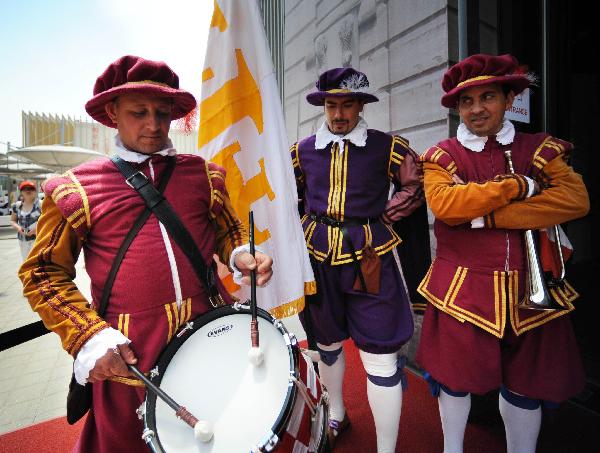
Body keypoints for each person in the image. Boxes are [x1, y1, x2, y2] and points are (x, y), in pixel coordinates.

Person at [18, 55, 273, 453]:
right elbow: (43, 274)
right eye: (139, 112)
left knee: (224, 434)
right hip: (130, 353)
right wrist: (89, 337)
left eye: (162, 112)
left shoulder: (202, 174)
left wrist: (240, 255)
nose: (153, 125)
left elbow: (228, 230)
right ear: (112, 112)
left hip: (211, 334)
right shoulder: (77, 188)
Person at [416, 54, 590, 453]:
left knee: (527, 383)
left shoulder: (540, 147)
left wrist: (489, 217)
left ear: (508, 98)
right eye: (466, 102)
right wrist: (517, 186)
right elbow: (446, 206)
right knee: (454, 379)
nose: (476, 109)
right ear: (458, 108)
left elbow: (575, 200)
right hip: (461, 290)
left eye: (488, 97)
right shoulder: (441, 155)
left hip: (533, 287)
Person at [291, 67, 425, 452]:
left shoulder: (389, 147)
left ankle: (386, 448)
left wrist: (387, 215)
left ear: (361, 105)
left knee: (381, 353)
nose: (338, 114)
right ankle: (337, 412)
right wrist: (302, 223)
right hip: (317, 256)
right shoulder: (302, 150)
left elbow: (416, 185)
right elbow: (287, 194)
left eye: (347, 104)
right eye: (331, 105)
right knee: (327, 341)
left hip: (370, 258)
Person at [10, 180, 41, 260]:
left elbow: (48, 220)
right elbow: (13, 220)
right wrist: (18, 228)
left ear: (35, 191)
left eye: (31, 188)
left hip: (38, 239)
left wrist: (37, 228)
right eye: (25, 188)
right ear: (21, 192)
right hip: (22, 239)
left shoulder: (41, 204)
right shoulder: (17, 206)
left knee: (35, 261)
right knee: (26, 261)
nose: (28, 190)